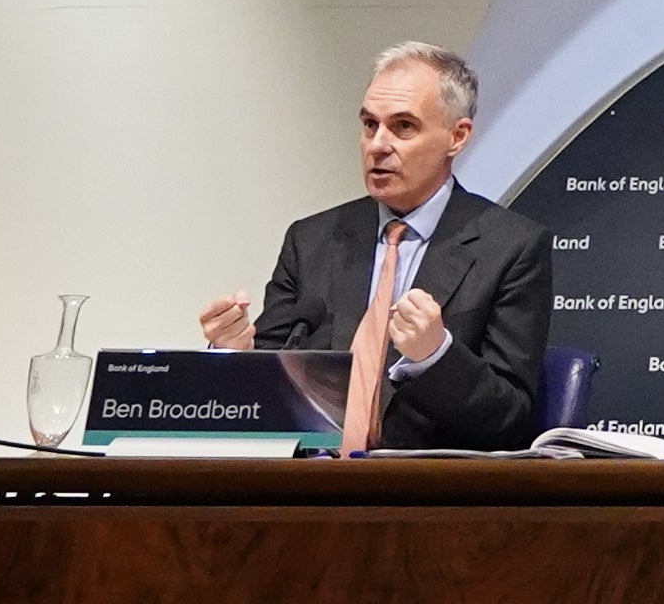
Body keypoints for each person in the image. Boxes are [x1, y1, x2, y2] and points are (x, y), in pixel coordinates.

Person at [203, 42, 555, 452]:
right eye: (370, 125)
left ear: (457, 137)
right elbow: (271, 388)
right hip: (307, 486)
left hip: (422, 495)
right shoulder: (312, 240)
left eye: (403, 127)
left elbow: (509, 420)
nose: (377, 145)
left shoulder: (511, 248)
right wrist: (234, 357)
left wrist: (435, 356)